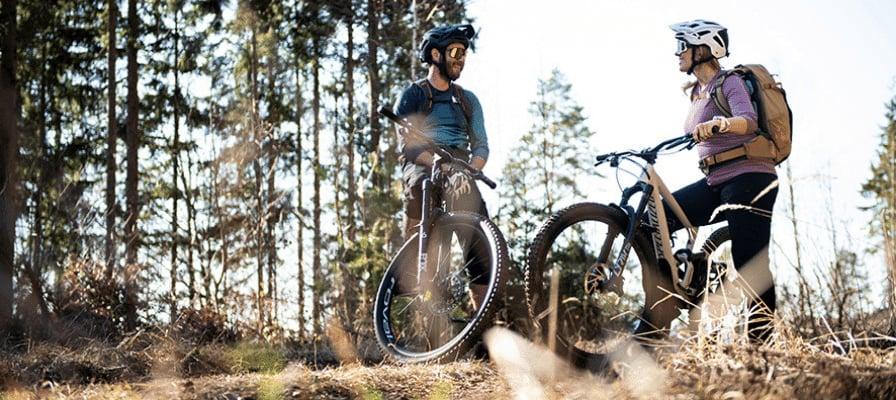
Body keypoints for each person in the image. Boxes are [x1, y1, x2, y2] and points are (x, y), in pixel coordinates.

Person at [636, 20, 779, 343]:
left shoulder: (729, 82)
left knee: (750, 262)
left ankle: (762, 344)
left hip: (750, 178)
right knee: (652, 222)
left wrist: (719, 124)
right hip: (715, 181)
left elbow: (748, 120)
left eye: (681, 46)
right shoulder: (697, 92)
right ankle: (661, 314)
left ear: (703, 49)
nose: (677, 55)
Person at [394, 24, 490, 306]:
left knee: (479, 239)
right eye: (456, 52)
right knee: (423, 186)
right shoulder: (414, 94)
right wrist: (438, 163)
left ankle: (481, 324)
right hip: (424, 159)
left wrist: (470, 168)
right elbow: (409, 144)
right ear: (435, 54)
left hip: (460, 165)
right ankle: (414, 261)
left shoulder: (467, 100)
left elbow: (481, 145)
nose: (462, 59)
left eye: (465, 53)